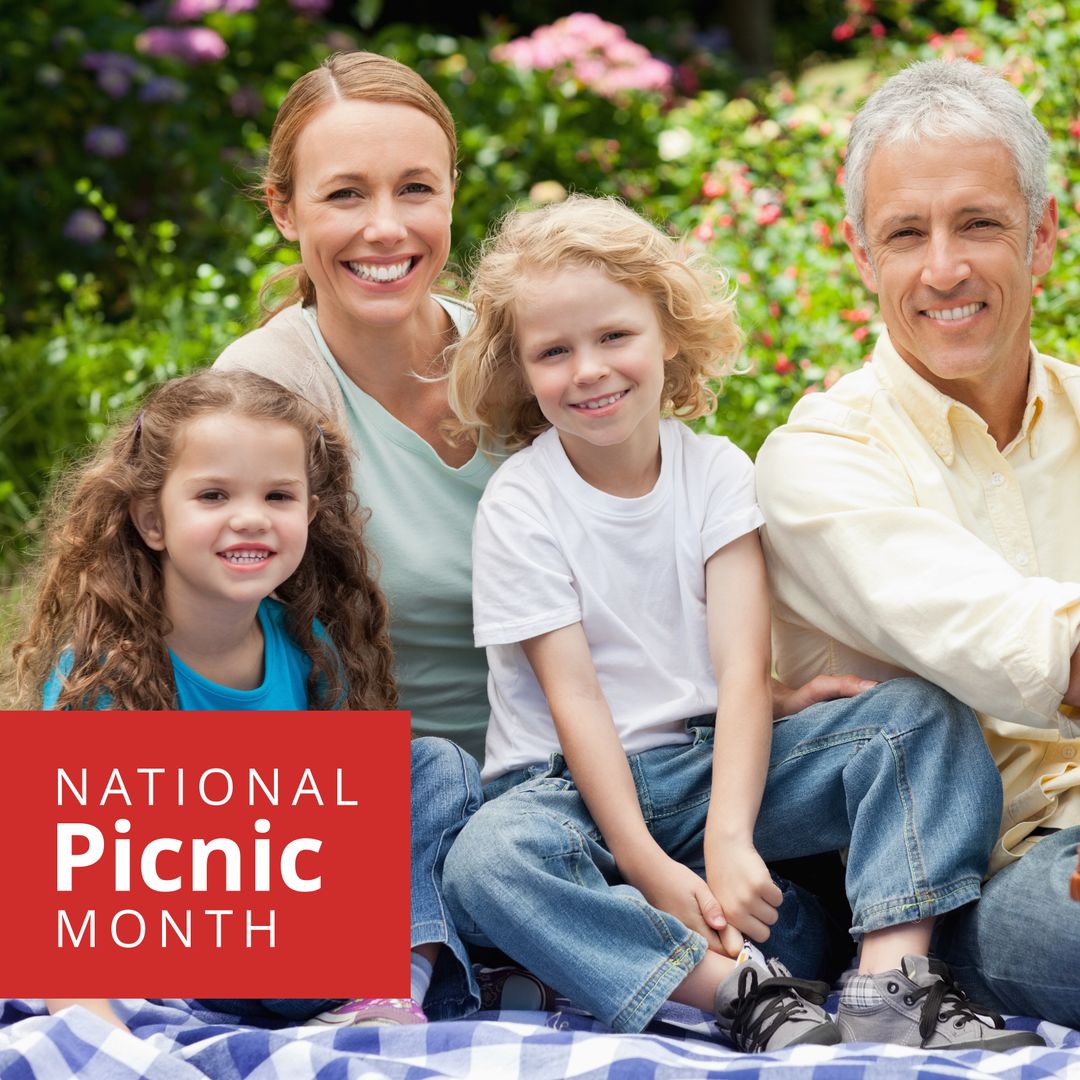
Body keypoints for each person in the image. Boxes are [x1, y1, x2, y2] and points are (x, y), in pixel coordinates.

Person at [440, 195, 1034, 1051]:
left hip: (709, 770)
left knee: (918, 719)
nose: (590, 370)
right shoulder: (520, 503)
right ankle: (736, 989)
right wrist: (648, 868)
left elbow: (739, 672)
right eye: (554, 352)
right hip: (567, 796)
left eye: (614, 336)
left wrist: (726, 839)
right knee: (488, 862)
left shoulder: (716, 472)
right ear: (522, 369)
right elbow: (578, 704)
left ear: (667, 332)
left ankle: (890, 985)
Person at [755, 58, 1080, 1030]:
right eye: (906, 234)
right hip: (985, 880)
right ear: (863, 256)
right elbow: (1025, 642)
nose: (943, 268)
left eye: (978, 223)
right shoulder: (818, 461)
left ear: (1043, 235)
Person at [212, 51, 503, 1023]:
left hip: (572, 788)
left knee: (792, 925)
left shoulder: (532, 358)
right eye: (345, 194)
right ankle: (410, 954)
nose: (386, 227)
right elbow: (194, 636)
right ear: (285, 210)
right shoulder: (265, 393)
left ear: (451, 194)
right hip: (377, 809)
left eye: (415, 188)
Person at [9, 368, 411, 1027]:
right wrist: (102, 1040)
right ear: (152, 520)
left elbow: (350, 830)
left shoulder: (306, 645)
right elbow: (61, 870)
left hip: (304, 917)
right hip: (197, 937)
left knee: (431, 769)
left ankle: (396, 986)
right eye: (213, 495)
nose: (250, 518)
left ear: (310, 514)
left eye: (278, 495)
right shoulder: (105, 672)